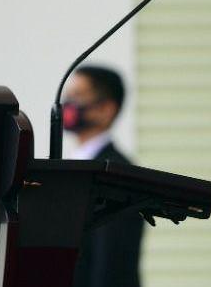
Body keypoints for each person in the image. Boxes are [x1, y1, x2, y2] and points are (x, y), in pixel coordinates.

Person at [63, 65, 144, 287]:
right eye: (67, 96)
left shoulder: (117, 174)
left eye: (78, 96)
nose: (68, 105)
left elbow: (112, 263)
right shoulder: (70, 168)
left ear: (106, 109)